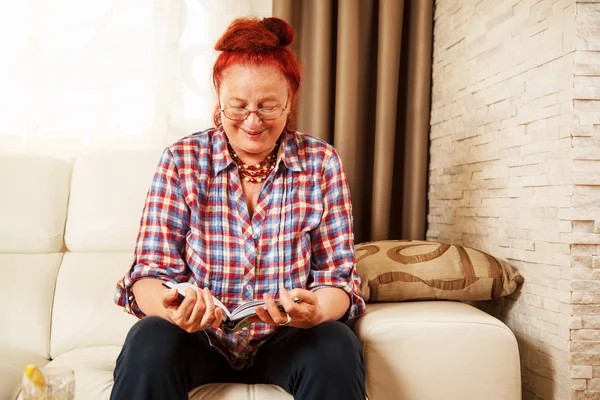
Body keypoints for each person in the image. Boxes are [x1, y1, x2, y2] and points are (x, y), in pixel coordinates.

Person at [110, 16, 366, 400]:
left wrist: (315, 310)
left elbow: (339, 279)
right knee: (150, 336)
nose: (252, 121)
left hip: (285, 340)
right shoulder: (182, 160)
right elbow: (148, 275)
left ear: (290, 101)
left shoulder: (322, 162)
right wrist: (173, 307)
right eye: (237, 106)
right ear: (218, 99)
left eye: (267, 107)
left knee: (335, 341)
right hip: (199, 340)